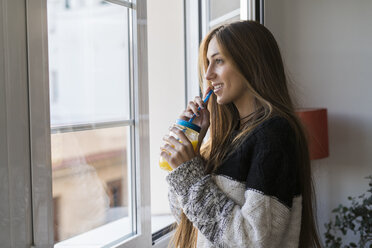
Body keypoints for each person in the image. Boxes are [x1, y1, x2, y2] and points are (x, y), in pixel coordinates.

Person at [160, 20, 321, 248]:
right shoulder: (231, 136)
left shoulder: (274, 135)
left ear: (250, 63)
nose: (207, 74)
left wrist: (189, 175)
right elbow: (188, 219)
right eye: (207, 63)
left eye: (218, 61)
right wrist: (192, 148)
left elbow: (254, 241)